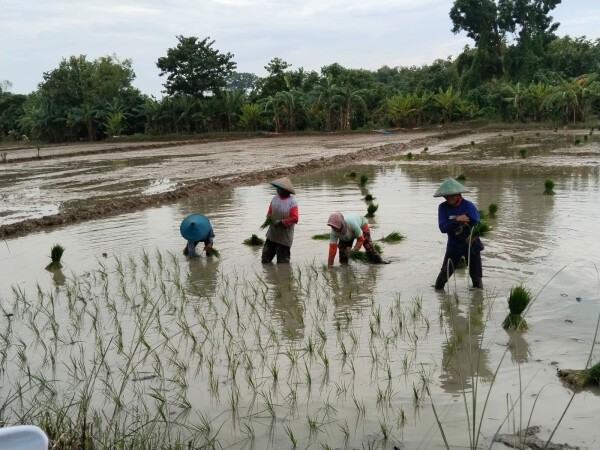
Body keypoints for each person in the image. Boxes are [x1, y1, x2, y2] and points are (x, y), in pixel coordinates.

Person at [433, 178, 484, 290]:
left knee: (477, 281)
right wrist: (457, 220)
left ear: (458, 194)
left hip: (472, 245)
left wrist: (474, 236)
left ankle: (477, 304)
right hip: (454, 246)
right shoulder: (443, 208)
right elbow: (443, 228)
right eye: (446, 196)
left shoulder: (469, 206)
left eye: (452, 195)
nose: (448, 198)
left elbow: (478, 226)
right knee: (441, 280)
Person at [261, 177, 299, 264]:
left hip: (284, 238)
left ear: (284, 190)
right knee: (265, 260)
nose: (277, 189)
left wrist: (281, 222)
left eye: (279, 188)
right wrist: (269, 218)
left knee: (283, 264)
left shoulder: (292, 202)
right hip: (272, 235)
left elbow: (295, 218)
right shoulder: (275, 199)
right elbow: (269, 212)